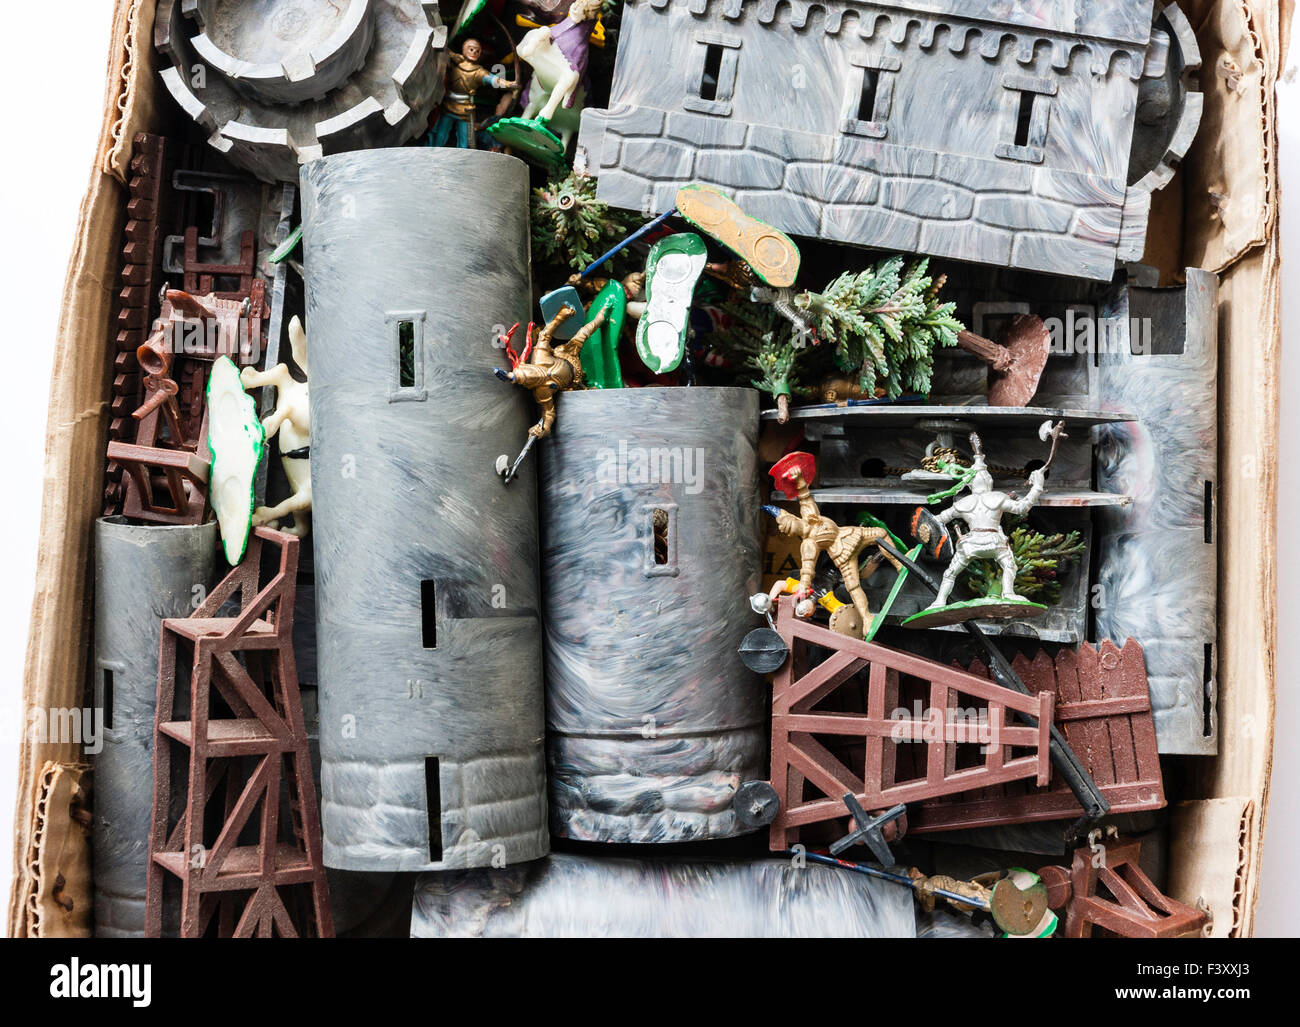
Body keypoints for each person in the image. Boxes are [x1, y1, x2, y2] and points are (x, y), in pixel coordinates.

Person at [426, 38, 520, 148]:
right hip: (448, 105)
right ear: (464, 50)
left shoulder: (479, 72)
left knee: (465, 141)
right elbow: (446, 51)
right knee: (440, 135)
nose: (474, 52)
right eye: (471, 49)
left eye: (477, 51)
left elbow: (494, 80)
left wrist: (510, 84)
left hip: (465, 110)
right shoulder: (458, 60)